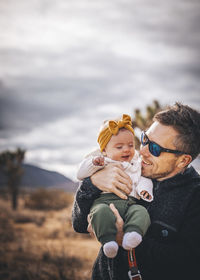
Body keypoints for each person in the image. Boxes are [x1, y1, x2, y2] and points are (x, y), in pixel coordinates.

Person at [72, 102, 200, 280]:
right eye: (145, 139)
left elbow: (188, 263)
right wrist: (92, 183)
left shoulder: (195, 196)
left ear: (182, 160)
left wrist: (123, 238)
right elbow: (79, 224)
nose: (144, 150)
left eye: (155, 148)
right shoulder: (129, 170)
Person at [76, 114, 153, 258]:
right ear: (104, 150)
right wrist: (94, 164)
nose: (126, 150)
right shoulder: (102, 161)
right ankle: (108, 241)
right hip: (104, 201)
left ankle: (133, 233)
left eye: (131, 145)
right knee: (100, 213)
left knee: (141, 212)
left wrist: (144, 190)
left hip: (130, 203)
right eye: (119, 147)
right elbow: (80, 174)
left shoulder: (135, 163)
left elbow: (142, 179)